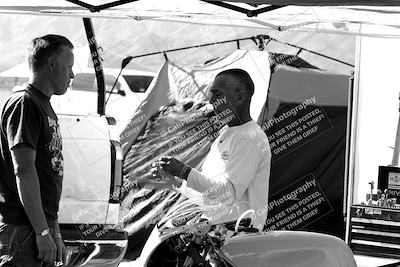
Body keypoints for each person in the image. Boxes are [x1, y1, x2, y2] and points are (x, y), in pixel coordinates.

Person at [152, 69, 271, 230]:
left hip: (238, 235)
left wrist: (184, 171)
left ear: (240, 97)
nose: (211, 100)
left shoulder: (250, 138)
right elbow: (209, 194)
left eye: (217, 94)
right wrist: (176, 180)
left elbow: (228, 194)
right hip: (215, 231)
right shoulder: (228, 133)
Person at [0, 34, 74, 266]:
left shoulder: (43, 104)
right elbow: (24, 170)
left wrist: (54, 231)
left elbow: (47, 175)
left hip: (38, 227)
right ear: (52, 63)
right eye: (69, 66)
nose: (72, 75)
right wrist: (42, 232)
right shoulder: (25, 103)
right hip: (22, 229)